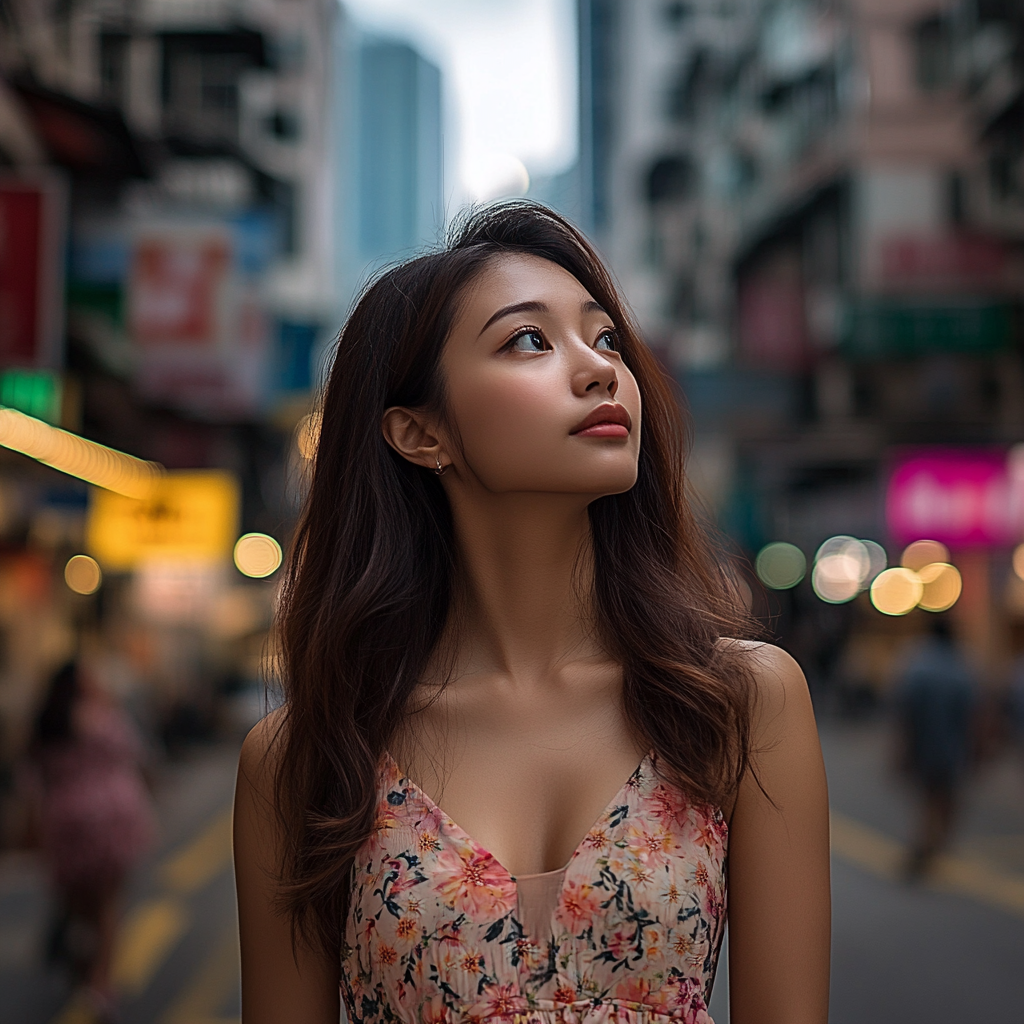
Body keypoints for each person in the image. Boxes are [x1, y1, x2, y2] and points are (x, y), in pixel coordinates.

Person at [234, 202, 831, 1024]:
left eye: (606, 339)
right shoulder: (306, 760)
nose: (598, 370)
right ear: (419, 432)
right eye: (529, 340)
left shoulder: (739, 702)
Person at [26, 653, 155, 1022]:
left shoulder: (48, 721)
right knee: (108, 908)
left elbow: (33, 774)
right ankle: (101, 986)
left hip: (65, 820)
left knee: (81, 905)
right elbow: (135, 750)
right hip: (109, 819)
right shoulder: (101, 717)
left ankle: (81, 966)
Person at [893, 614, 978, 878]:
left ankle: (926, 846)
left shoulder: (918, 664)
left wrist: (902, 747)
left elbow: (904, 711)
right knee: (944, 798)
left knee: (927, 799)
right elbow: (973, 714)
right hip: (952, 746)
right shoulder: (961, 666)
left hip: (923, 744)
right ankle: (931, 845)